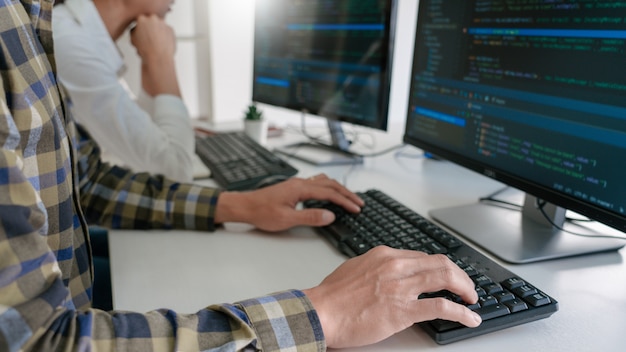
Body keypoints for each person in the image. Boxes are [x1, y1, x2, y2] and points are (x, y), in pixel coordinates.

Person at [0, 1, 482, 351]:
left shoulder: (29, 22)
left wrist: (235, 205)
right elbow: (38, 339)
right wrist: (321, 314)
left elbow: (86, 180)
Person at [52, 0, 195, 182]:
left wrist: (149, 58)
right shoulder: (70, 44)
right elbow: (175, 173)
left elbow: (146, 136)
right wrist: (161, 59)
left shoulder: (78, 34)